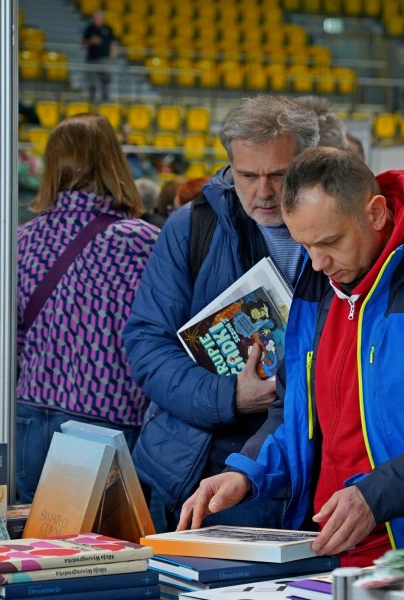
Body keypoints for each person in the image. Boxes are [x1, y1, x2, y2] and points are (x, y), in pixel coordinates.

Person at [177, 147, 404, 567]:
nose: (318, 261)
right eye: (305, 245)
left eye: (330, 241)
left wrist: (375, 494)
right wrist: (247, 472)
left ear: (377, 213)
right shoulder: (318, 283)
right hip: (335, 548)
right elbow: (294, 413)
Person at [123, 96, 320, 531]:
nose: (263, 192)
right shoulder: (193, 226)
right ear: (230, 166)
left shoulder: (338, 232)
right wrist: (229, 396)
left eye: (279, 175)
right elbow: (146, 345)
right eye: (247, 175)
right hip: (203, 466)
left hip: (308, 466)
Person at [0, 113, 160, 503]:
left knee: (36, 549)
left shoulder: (23, 240)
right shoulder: (143, 243)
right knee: (106, 554)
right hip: (111, 416)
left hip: (31, 414)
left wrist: (37, 343)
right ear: (115, 163)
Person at [82, 11, 116, 103]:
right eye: (95, 18)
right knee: (92, 81)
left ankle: (105, 99)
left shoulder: (108, 28)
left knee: (105, 80)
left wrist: (112, 54)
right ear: (93, 19)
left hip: (104, 58)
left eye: (99, 18)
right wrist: (91, 41)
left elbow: (112, 42)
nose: (97, 20)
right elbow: (83, 43)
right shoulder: (89, 29)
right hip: (92, 59)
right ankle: (92, 100)